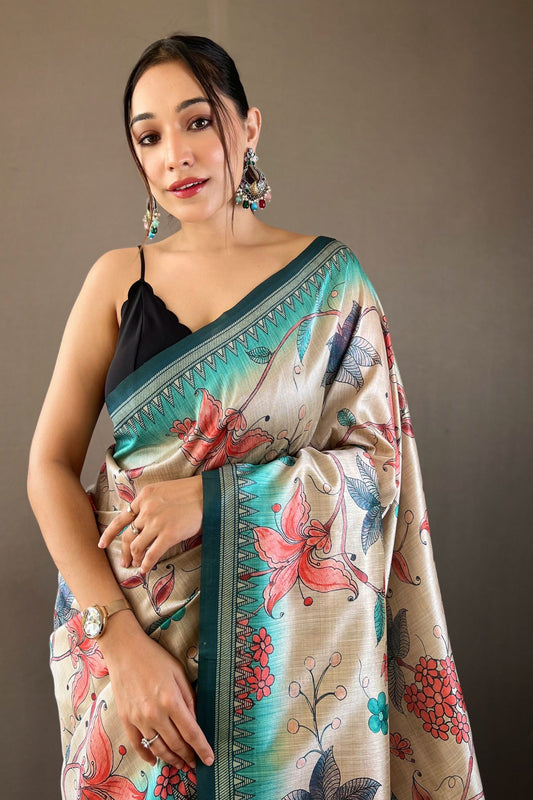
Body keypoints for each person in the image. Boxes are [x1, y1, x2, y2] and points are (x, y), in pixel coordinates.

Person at [28, 33, 484, 800]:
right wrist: (120, 644)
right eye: (149, 136)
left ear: (249, 127)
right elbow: (47, 470)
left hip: (291, 684)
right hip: (133, 651)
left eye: (197, 121)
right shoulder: (117, 279)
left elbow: (378, 474)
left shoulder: (332, 284)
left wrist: (211, 500)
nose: (175, 155)